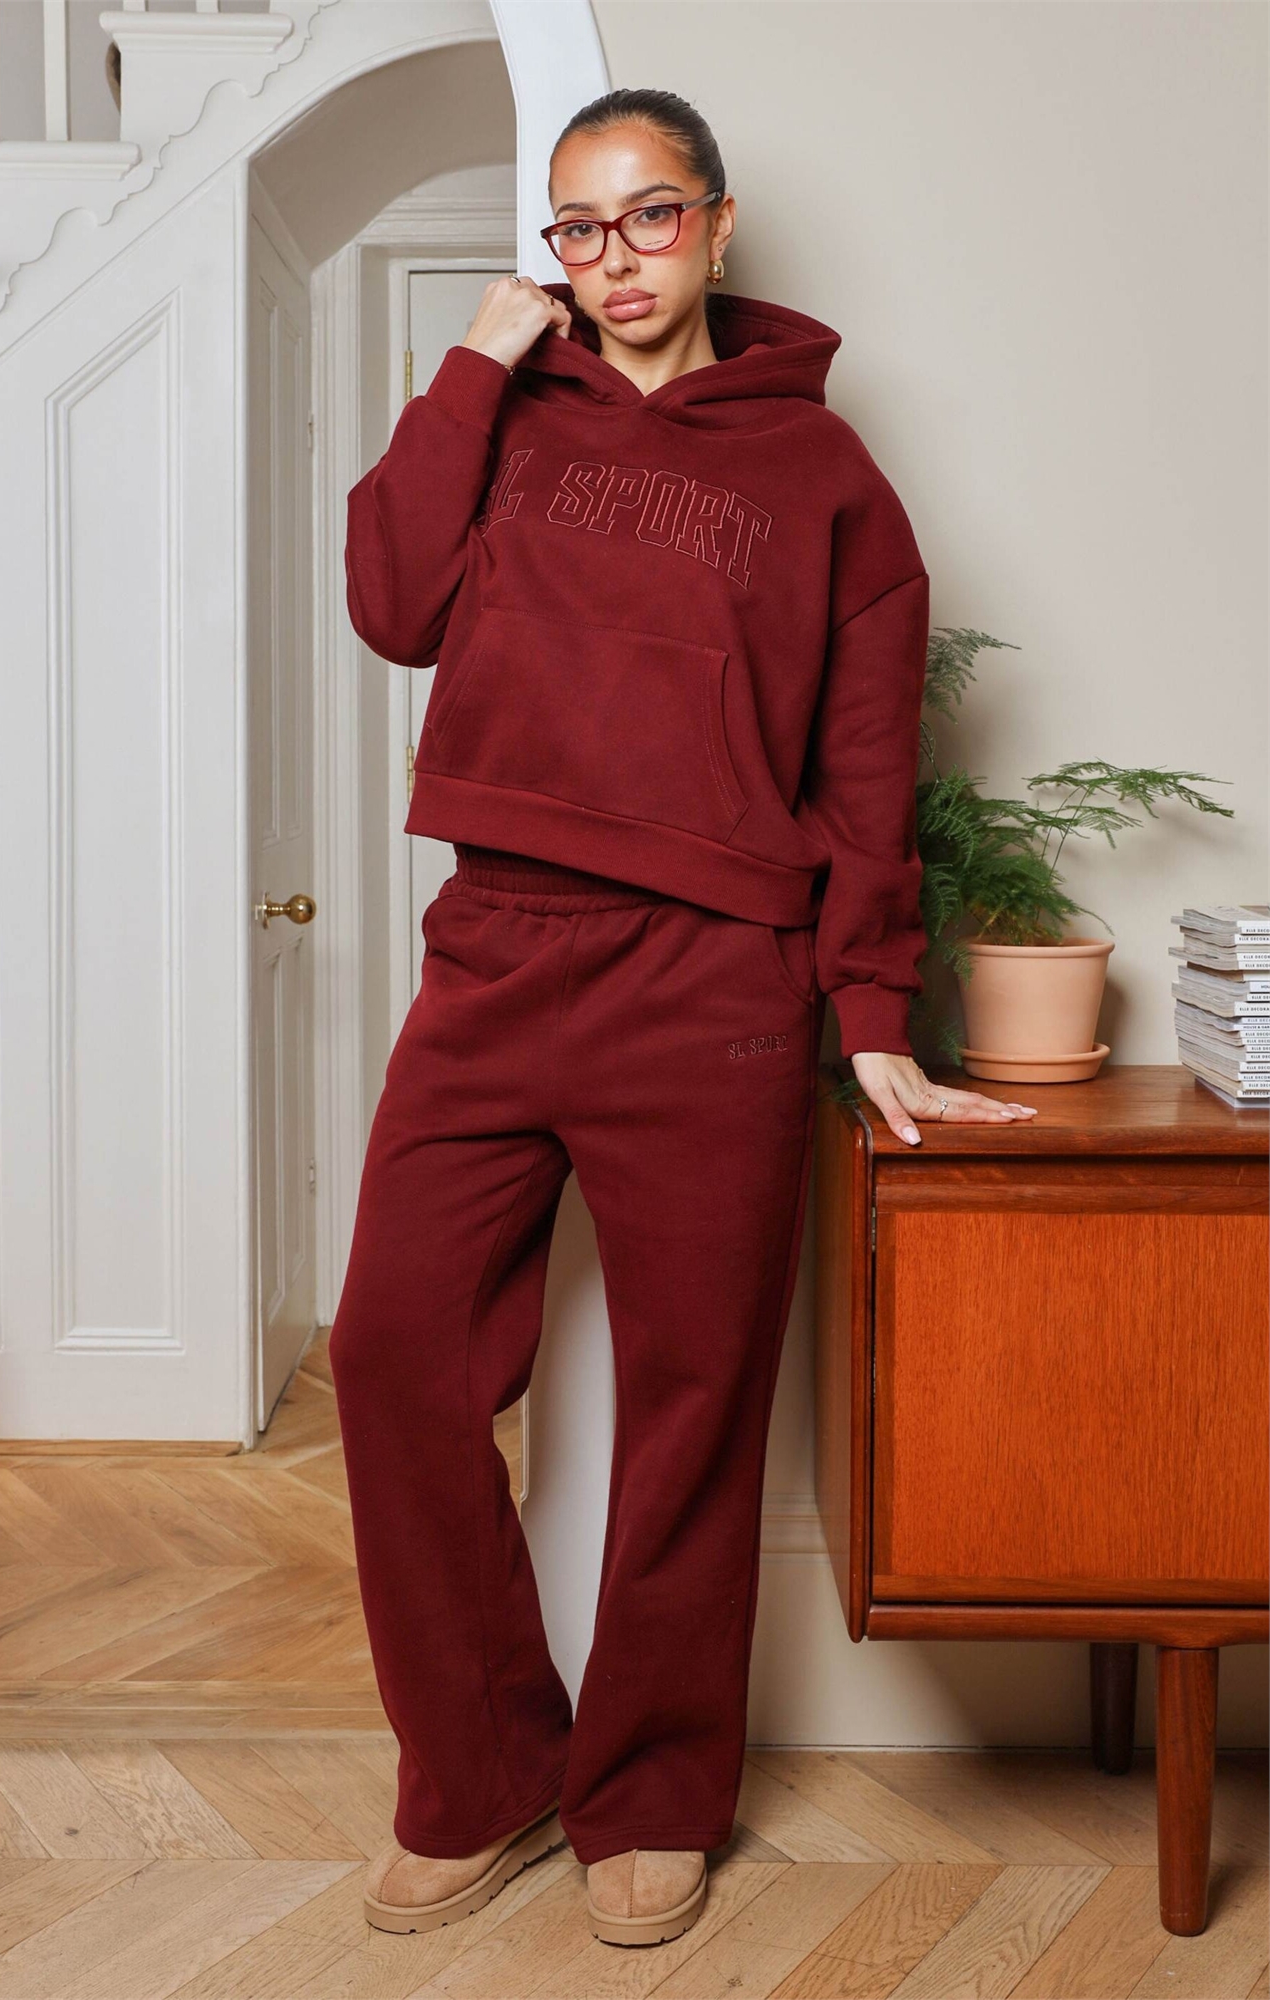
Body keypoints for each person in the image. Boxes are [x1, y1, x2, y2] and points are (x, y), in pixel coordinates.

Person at [329, 87, 1038, 1950]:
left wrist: (867, 1009)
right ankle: (483, 1772)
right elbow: (391, 602)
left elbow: (865, 773)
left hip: (713, 980)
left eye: (648, 216)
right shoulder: (507, 413)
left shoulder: (827, 480)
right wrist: (474, 363)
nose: (613, 258)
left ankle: (650, 1794)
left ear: (717, 225)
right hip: (497, 949)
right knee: (393, 1355)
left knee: (692, 1408)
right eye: (576, 227)